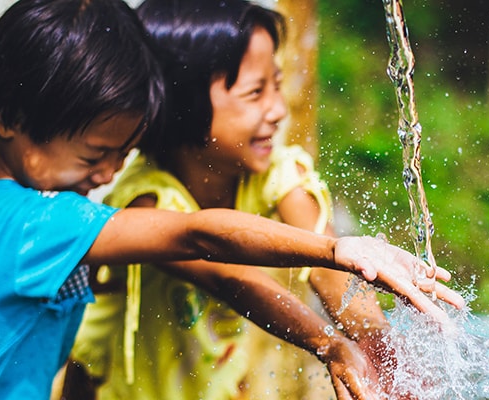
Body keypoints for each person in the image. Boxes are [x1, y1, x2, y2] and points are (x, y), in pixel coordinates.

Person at [0, 0, 461, 398]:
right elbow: (200, 236)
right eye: (95, 154)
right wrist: (337, 250)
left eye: (121, 153)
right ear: (12, 117)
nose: (108, 174)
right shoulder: (44, 221)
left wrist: (344, 338)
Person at [63, 1, 438, 399]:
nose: (277, 109)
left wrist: (376, 340)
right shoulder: (145, 202)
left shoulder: (274, 174)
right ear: (183, 102)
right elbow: (229, 275)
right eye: (255, 92)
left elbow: (330, 270)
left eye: (277, 85)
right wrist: (327, 342)